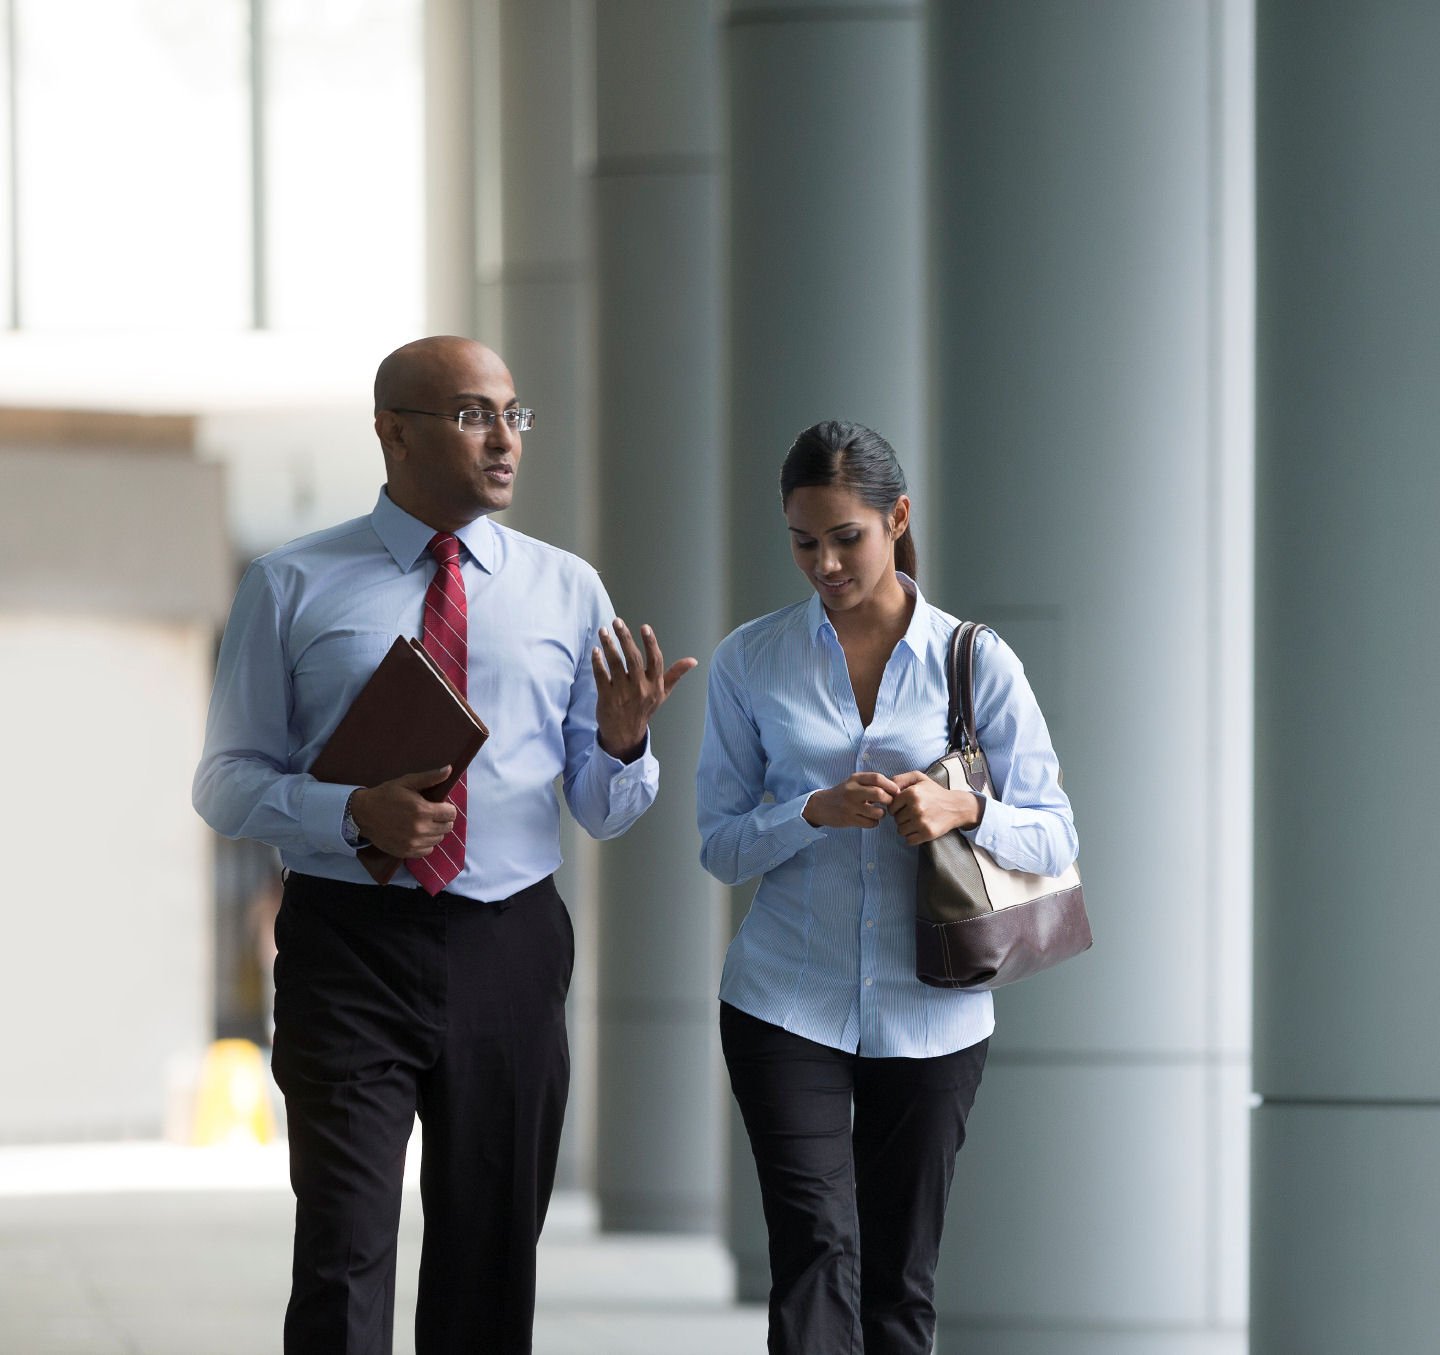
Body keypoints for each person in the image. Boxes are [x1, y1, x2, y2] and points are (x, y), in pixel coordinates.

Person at [193, 335, 695, 1355]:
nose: (506, 439)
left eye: (515, 414)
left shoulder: (567, 589)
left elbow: (601, 807)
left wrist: (626, 741)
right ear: (394, 432)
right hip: (348, 946)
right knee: (342, 1250)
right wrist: (347, 810)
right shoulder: (290, 585)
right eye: (473, 414)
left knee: (489, 1255)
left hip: (508, 947)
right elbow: (225, 780)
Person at [696, 420, 1078, 1354]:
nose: (823, 561)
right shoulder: (752, 660)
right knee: (815, 1250)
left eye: (846, 537)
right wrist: (810, 812)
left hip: (935, 1010)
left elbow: (1057, 832)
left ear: (897, 518)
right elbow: (720, 845)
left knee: (899, 1281)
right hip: (785, 999)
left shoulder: (976, 660)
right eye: (802, 540)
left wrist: (962, 810)